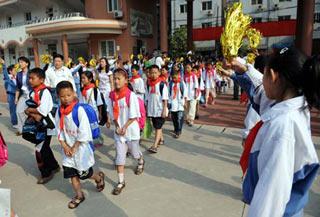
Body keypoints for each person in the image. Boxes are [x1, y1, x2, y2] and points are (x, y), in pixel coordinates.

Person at [221, 47, 319, 217]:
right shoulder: (295, 105)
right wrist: (245, 69)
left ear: (274, 76)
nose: (262, 81)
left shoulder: (281, 128)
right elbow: (261, 90)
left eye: (264, 74)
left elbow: (270, 200)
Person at [55, 81, 105, 209]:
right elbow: (59, 130)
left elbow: (84, 132)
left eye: (68, 95)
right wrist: (65, 146)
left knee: (84, 173)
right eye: (62, 96)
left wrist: (74, 147)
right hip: (67, 149)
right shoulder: (59, 112)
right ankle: (79, 195)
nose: (66, 98)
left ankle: (98, 177)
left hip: (81, 148)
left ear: (73, 94)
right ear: (58, 96)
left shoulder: (79, 110)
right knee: (72, 173)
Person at [108, 68, 145, 195]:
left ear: (125, 80)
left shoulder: (131, 95)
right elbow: (113, 114)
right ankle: (121, 182)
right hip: (119, 133)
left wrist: (124, 127)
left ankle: (140, 160)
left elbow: (134, 115)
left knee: (134, 153)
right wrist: (118, 126)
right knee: (120, 157)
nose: (116, 81)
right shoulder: (112, 96)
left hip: (131, 131)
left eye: (119, 78)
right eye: (115, 78)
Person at [24, 68, 60, 184]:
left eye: (33, 78)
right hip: (37, 124)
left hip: (45, 125)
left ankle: (46, 172)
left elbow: (43, 111)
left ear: (41, 79)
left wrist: (30, 110)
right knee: (44, 146)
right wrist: (31, 111)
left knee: (40, 149)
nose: (30, 80)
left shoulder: (45, 92)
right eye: (29, 78)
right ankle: (54, 166)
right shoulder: (32, 92)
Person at [146, 65, 168, 153]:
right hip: (152, 109)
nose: (154, 74)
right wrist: (147, 109)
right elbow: (147, 98)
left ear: (159, 73)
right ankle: (161, 139)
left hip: (159, 110)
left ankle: (155, 145)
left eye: (155, 72)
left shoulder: (162, 84)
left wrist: (164, 110)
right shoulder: (148, 84)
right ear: (149, 74)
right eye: (152, 73)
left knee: (158, 127)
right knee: (156, 125)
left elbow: (165, 99)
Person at [15, 56, 31, 135]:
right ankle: (21, 129)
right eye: (19, 62)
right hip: (23, 95)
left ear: (27, 63)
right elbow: (18, 87)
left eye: (22, 62)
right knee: (18, 111)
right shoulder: (19, 74)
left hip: (32, 95)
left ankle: (28, 128)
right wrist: (16, 98)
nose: (20, 64)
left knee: (29, 112)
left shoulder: (31, 73)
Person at [169, 71, 187, 138]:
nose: (174, 79)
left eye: (175, 78)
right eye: (173, 78)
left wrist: (185, 102)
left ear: (178, 76)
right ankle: (176, 128)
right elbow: (169, 93)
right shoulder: (170, 84)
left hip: (180, 103)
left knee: (179, 117)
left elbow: (185, 93)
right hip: (173, 103)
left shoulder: (182, 83)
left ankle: (179, 131)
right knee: (174, 118)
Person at [1, 58, 18, 128]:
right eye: (14, 70)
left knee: (19, 110)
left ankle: (19, 121)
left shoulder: (17, 77)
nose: (15, 71)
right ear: (10, 71)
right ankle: (14, 123)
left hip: (18, 95)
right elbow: (5, 74)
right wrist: (3, 64)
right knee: (13, 110)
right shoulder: (8, 79)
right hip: (11, 95)